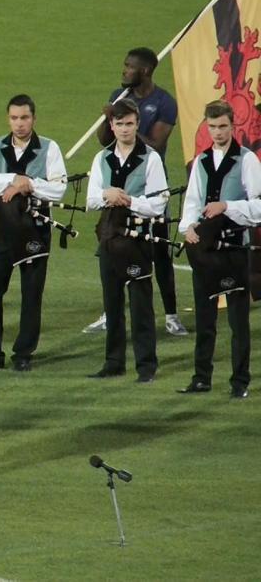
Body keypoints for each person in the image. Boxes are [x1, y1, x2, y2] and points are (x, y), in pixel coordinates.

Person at [89, 47, 186, 336]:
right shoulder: (118, 95)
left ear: (144, 71)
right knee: (111, 246)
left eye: (129, 66)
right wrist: (109, 120)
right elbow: (104, 141)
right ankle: (110, 313)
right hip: (118, 181)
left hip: (150, 183)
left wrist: (127, 126)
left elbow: (155, 144)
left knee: (160, 251)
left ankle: (171, 315)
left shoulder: (165, 102)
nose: (124, 70)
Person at [0, 94, 67, 371]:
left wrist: (30, 185)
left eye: (24, 117)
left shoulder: (49, 148)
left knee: (31, 294)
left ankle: (24, 353)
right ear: (8, 119)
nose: (19, 123)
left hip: (35, 232)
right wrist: (15, 179)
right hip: (3, 232)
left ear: (34, 118)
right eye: (14, 118)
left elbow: (59, 189)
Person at [177, 100, 260, 399]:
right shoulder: (201, 161)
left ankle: (240, 382)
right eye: (212, 127)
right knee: (205, 318)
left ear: (232, 126)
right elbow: (192, 202)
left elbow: (259, 206)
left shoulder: (247, 160)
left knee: (238, 321)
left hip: (234, 249)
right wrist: (188, 227)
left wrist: (227, 206)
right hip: (206, 251)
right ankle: (201, 378)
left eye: (223, 126)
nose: (218, 132)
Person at [86, 99, 168, 382]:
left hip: (137, 240)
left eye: (129, 123)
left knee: (141, 305)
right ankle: (114, 362)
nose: (124, 129)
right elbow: (91, 200)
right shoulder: (102, 158)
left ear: (137, 124)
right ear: (112, 126)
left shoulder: (151, 159)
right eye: (119, 124)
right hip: (109, 238)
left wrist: (130, 200)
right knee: (112, 304)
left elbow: (159, 204)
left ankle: (146, 366)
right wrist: (106, 195)